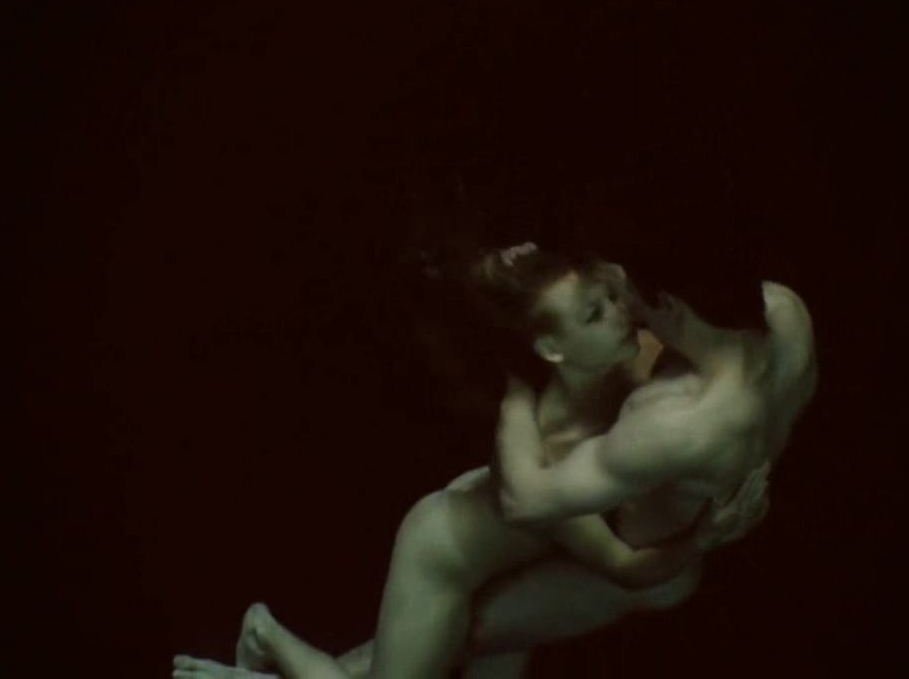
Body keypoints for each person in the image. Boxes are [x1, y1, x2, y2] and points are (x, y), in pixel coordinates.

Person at [173, 243, 814, 679]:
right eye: (599, 310)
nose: (627, 311)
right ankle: (266, 636)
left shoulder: (636, 373)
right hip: (451, 549)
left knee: (466, 646)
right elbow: (611, 557)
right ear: (551, 348)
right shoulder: (557, 440)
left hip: (544, 548)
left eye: (617, 296)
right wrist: (701, 536)